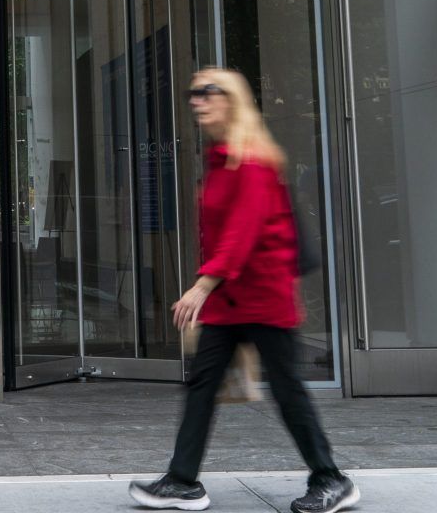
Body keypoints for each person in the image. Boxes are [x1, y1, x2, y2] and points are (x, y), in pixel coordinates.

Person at [129, 68, 359, 513]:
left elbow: (242, 232)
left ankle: (331, 478)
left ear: (231, 100)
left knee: (288, 389)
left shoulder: (252, 160)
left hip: (262, 296)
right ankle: (182, 481)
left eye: (206, 92)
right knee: (201, 385)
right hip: (228, 301)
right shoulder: (220, 159)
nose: (196, 100)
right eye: (191, 93)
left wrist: (200, 286)